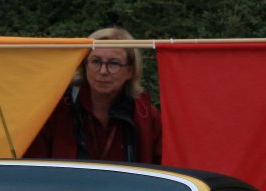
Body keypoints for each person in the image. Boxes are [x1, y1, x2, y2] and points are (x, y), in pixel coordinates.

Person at [24, 26, 162, 164]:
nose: (103, 71)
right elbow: (33, 166)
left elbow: (163, 167)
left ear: (131, 71)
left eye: (113, 63)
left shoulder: (146, 116)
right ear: (84, 66)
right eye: (95, 61)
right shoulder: (56, 109)